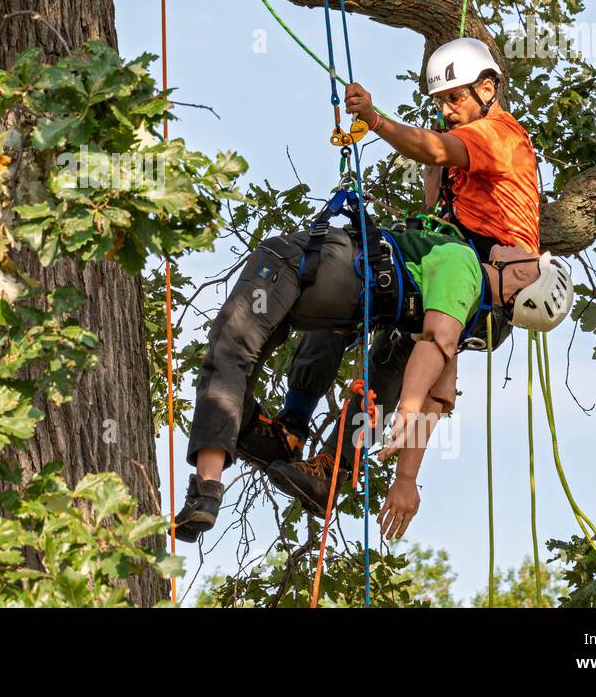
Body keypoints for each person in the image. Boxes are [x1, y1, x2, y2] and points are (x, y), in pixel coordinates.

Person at [242, 37, 542, 503]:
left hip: (492, 288)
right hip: (453, 268)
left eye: (454, 97)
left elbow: (434, 149)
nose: (446, 110)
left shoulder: (500, 136)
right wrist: (434, 189)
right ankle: (292, 428)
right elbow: (443, 207)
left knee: (396, 351)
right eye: (440, 101)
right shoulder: (468, 148)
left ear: (487, 88)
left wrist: (376, 121)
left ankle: (338, 464)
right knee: (352, 296)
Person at [172, 205, 573, 542]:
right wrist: (406, 477)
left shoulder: (464, 263)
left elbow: (435, 347)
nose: (516, 244)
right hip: (332, 310)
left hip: (293, 267)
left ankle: (207, 487)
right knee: (264, 362)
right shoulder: (467, 314)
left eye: (527, 255)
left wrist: (407, 410)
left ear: (523, 276)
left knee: (230, 354)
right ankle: (284, 438)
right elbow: (440, 396)